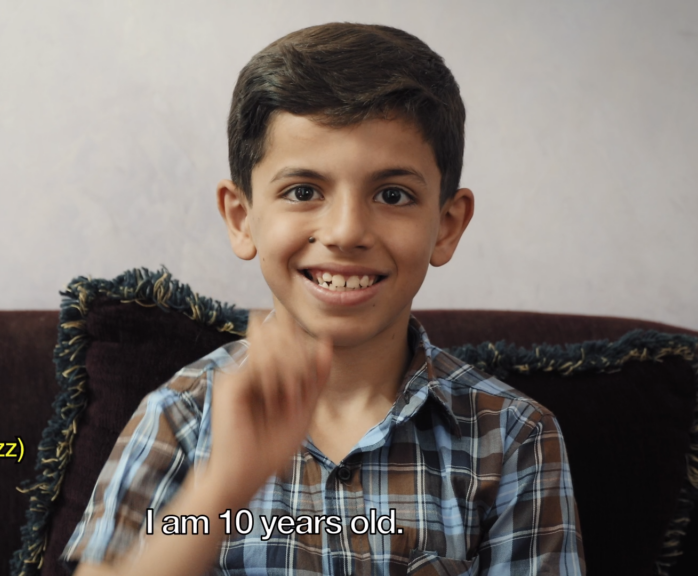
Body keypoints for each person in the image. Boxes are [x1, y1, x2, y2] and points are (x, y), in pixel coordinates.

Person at [63, 22, 585, 576]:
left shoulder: (513, 437)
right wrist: (225, 483)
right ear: (242, 219)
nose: (345, 231)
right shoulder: (181, 416)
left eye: (393, 194)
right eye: (304, 191)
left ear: (447, 226)